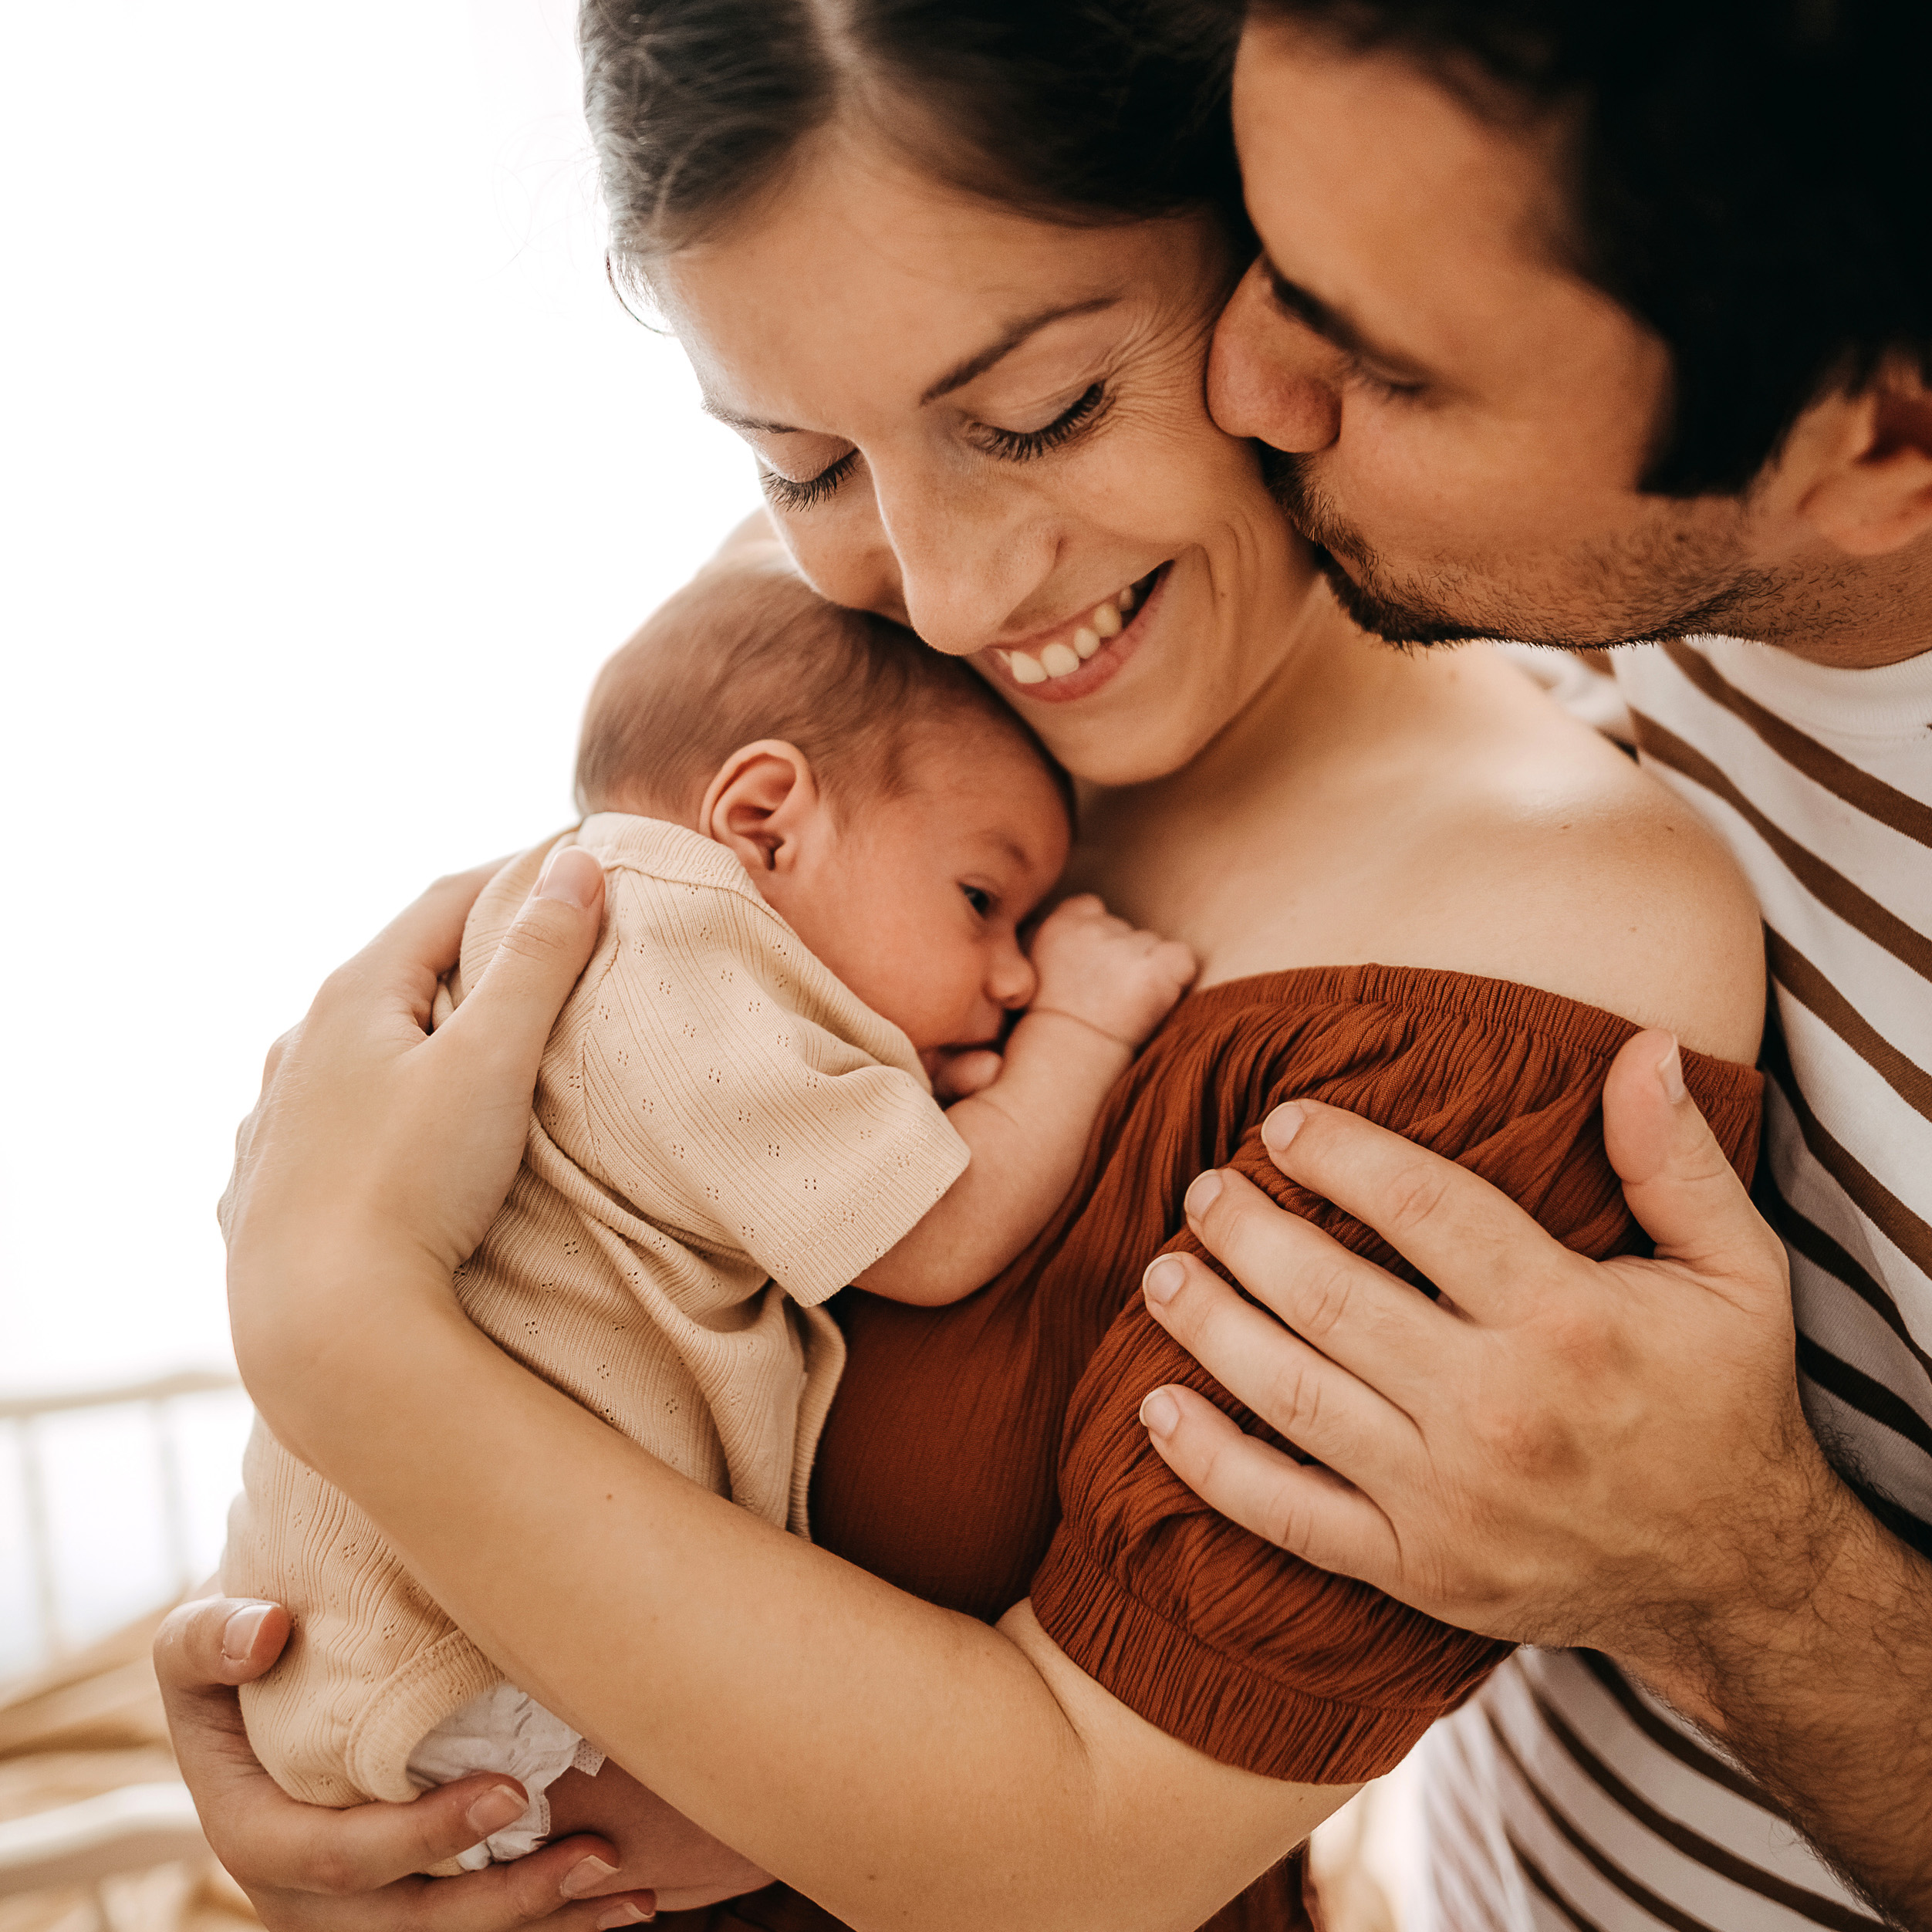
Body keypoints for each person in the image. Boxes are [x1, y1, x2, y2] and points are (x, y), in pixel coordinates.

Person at [155, 4, 1766, 1927]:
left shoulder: (1550, 937)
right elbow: (547, 1178)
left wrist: (344, 1340)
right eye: (802, 460)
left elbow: (1076, 1855)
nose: (948, 590)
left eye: (1041, 413)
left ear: (1279, 264)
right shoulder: (814, 658)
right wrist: (349, 1733)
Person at [1135, 2, 1932, 1927]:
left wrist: (1742, 1571)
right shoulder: (1549, 509)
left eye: (1389, 368)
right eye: (1263, 240)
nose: (1236, 377)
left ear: (1882, 444)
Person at [220, 546, 1194, 1874]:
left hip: (405, 1619)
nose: (1015, 974)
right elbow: (937, 1236)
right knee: (838, 1837)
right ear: (763, 820)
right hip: (459, 1656)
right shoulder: (673, 937)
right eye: (983, 899)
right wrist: (1083, 1028)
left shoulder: (606, 941)